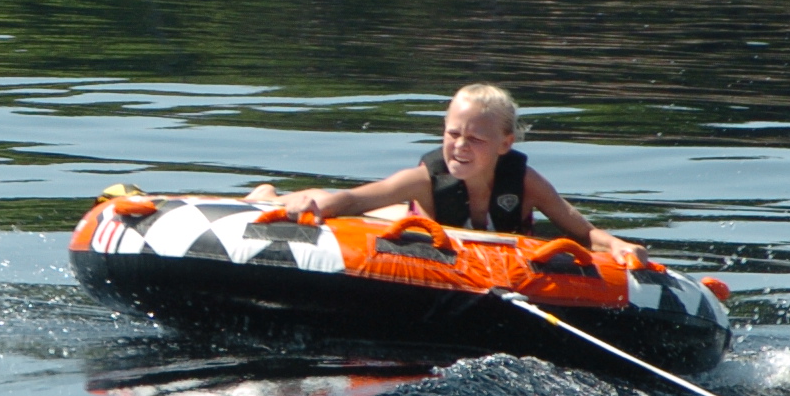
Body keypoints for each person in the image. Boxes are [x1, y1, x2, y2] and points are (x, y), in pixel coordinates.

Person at [244, 82, 635, 258]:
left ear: (504, 144)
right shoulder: (424, 180)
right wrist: (315, 206)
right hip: (418, 220)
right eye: (453, 134)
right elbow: (355, 199)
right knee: (373, 209)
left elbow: (582, 231)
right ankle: (270, 194)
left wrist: (616, 245)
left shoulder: (526, 183)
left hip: (490, 247)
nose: (460, 146)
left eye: (475, 139)